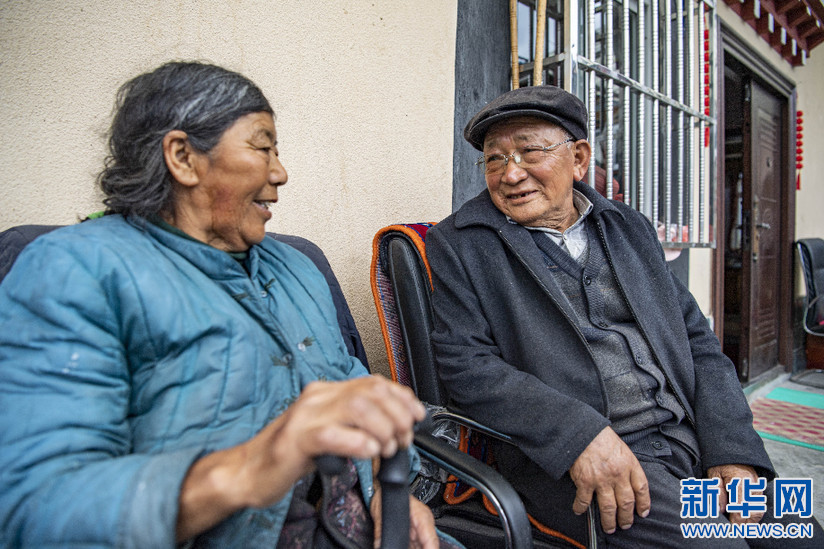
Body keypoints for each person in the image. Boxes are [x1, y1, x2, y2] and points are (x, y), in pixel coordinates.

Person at [0, 61, 460, 549]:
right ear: (183, 157)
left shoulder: (296, 265)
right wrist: (249, 468)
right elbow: (35, 510)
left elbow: (346, 384)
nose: (280, 173)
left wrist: (388, 495)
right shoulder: (77, 271)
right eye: (262, 148)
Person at [426, 85, 822, 547]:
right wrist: (579, 434)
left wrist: (731, 449)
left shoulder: (628, 228)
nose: (511, 174)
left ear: (578, 159)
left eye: (530, 152)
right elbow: (466, 365)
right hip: (581, 461)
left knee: (800, 535)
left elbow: (698, 341)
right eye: (495, 159)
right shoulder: (461, 243)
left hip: (687, 438)